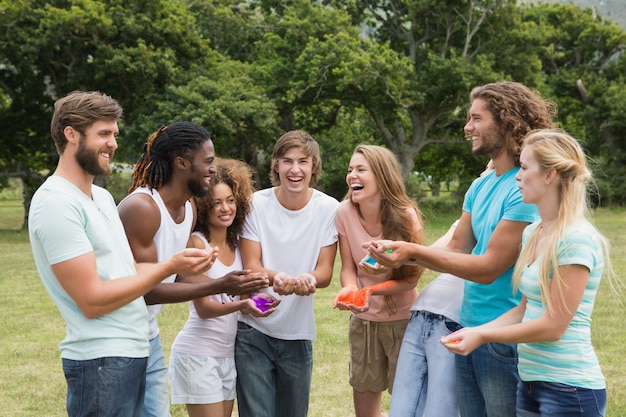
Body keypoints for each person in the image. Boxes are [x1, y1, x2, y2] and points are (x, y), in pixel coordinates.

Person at [365, 81, 557, 417]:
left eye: (476, 118)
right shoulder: (481, 184)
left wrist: (412, 251)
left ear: (507, 122)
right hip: (468, 329)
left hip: (503, 338)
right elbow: (457, 246)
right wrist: (402, 254)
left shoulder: (523, 188)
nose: (468, 128)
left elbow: (489, 267)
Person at [28, 90, 215, 417]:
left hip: (134, 349)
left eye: (114, 133)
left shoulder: (99, 198)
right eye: (103, 134)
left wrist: (192, 270)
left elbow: (131, 274)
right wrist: (169, 265)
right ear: (71, 134)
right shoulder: (57, 203)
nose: (113, 143)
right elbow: (91, 299)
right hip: (100, 362)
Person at [441, 129, 616, 417]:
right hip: (530, 383)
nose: (518, 176)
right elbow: (523, 309)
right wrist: (474, 330)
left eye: (524, 167)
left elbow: (552, 326)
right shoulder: (534, 232)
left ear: (550, 175)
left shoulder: (576, 239)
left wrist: (483, 337)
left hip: (570, 390)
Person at [117, 123, 269, 417]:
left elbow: (179, 279)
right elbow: (144, 291)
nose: (213, 169)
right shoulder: (143, 208)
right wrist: (220, 285)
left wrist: (235, 286)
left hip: (147, 334)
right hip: (118, 339)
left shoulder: (189, 209)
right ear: (182, 163)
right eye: (208, 161)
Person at [235, 130, 340, 417]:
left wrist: (308, 279)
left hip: (297, 334)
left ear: (313, 167)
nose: (295, 169)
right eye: (287, 161)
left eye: (303, 161)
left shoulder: (329, 208)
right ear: (276, 166)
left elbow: (325, 271)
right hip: (253, 329)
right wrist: (277, 278)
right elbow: (251, 266)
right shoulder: (255, 204)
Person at [168, 158, 277, 417]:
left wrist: (260, 302)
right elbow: (205, 308)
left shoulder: (237, 245)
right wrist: (243, 304)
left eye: (230, 200)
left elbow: (239, 299)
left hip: (227, 355)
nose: (225, 208)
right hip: (198, 354)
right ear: (204, 206)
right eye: (216, 203)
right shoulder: (197, 244)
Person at [389, 161, 494, 417]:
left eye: (490, 169)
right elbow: (435, 253)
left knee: (440, 411)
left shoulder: (509, 216)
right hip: (422, 313)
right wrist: (397, 255)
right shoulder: (468, 216)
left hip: (454, 321)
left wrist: (409, 255)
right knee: (401, 410)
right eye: (485, 168)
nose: (482, 173)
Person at [332, 145, 424, 417]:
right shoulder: (344, 212)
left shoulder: (405, 214)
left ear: (382, 176)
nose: (352, 175)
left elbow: (411, 278)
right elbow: (348, 269)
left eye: (361, 169)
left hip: (403, 321)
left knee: (406, 407)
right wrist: (351, 291)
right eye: (350, 170)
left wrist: (371, 290)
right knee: (366, 411)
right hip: (364, 323)